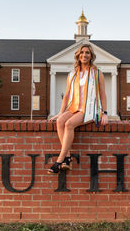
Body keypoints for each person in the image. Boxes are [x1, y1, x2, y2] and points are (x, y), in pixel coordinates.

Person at [48, 44, 109, 174]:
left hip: (90, 109)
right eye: (82, 52)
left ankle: (59, 160)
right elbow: (66, 95)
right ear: (78, 55)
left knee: (69, 124)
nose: (84, 55)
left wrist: (105, 113)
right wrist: (60, 112)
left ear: (91, 56)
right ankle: (68, 157)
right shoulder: (73, 74)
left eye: (87, 53)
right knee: (60, 122)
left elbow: (103, 94)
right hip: (74, 107)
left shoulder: (97, 73)